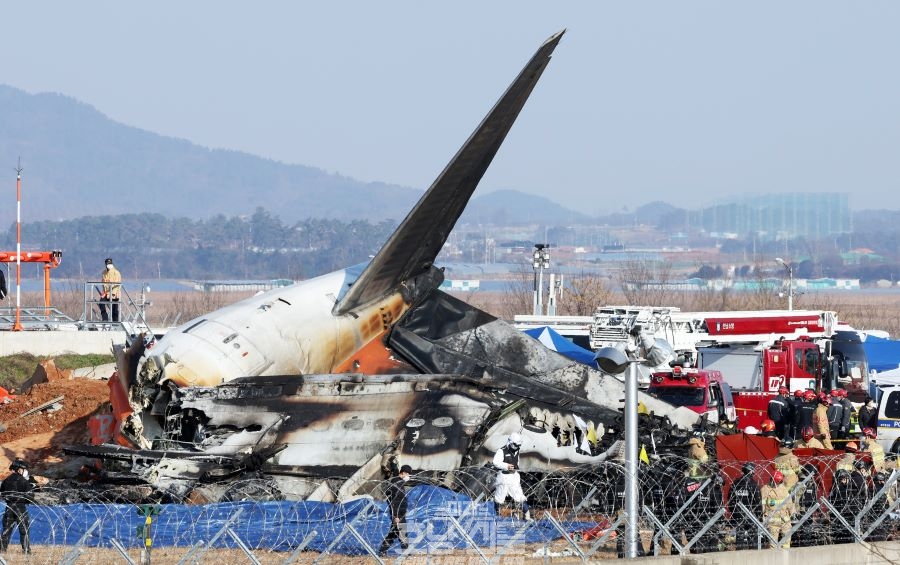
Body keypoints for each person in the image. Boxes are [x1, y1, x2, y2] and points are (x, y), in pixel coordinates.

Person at [0, 459, 35, 555]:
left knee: (6, 530)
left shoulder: (6, 480)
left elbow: (2, 494)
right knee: (24, 530)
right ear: (19, 470)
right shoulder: (24, 481)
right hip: (20, 508)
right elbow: (30, 497)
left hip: (9, 508)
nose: (25, 471)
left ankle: (3, 550)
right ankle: (26, 551)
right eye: (24, 469)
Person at [493, 433, 531, 520]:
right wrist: (506, 466)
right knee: (499, 498)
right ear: (510, 442)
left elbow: (516, 462)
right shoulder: (501, 451)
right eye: (515, 445)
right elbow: (496, 462)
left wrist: (515, 468)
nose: (517, 447)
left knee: (519, 496)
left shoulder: (517, 450)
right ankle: (497, 516)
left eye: (519, 445)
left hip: (513, 477)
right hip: (503, 478)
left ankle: (527, 515)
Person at [378, 464, 411, 555]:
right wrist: (396, 516)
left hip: (400, 512)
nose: (409, 476)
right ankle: (406, 552)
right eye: (408, 474)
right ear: (403, 473)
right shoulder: (397, 483)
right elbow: (394, 501)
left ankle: (382, 550)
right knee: (402, 531)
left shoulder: (399, 482)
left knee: (394, 533)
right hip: (398, 513)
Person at [727, 462, 761, 550]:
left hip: (738, 515)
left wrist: (734, 512)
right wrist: (759, 517)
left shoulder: (736, 483)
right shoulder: (753, 485)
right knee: (753, 539)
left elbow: (730, 500)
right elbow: (758, 502)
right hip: (751, 516)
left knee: (740, 540)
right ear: (752, 472)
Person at [761, 470, 794, 548]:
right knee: (773, 544)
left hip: (785, 520)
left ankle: (786, 558)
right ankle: (774, 559)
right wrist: (763, 518)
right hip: (772, 521)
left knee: (786, 542)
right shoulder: (765, 489)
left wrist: (792, 513)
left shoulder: (783, 488)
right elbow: (762, 505)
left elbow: (789, 503)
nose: (778, 484)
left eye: (779, 482)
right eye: (777, 482)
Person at [99, 257, 122, 322]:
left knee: (114, 310)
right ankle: (105, 318)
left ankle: (115, 323)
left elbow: (117, 284)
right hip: (106, 293)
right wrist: (103, 292)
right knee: (101, 303)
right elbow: (103, 284)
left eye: (110, 263)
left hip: (114, 294)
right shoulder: (104, 273)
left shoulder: (116, 273)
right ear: (105, 264)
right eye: (107, 264)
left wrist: (113, 293)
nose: (109, 265)